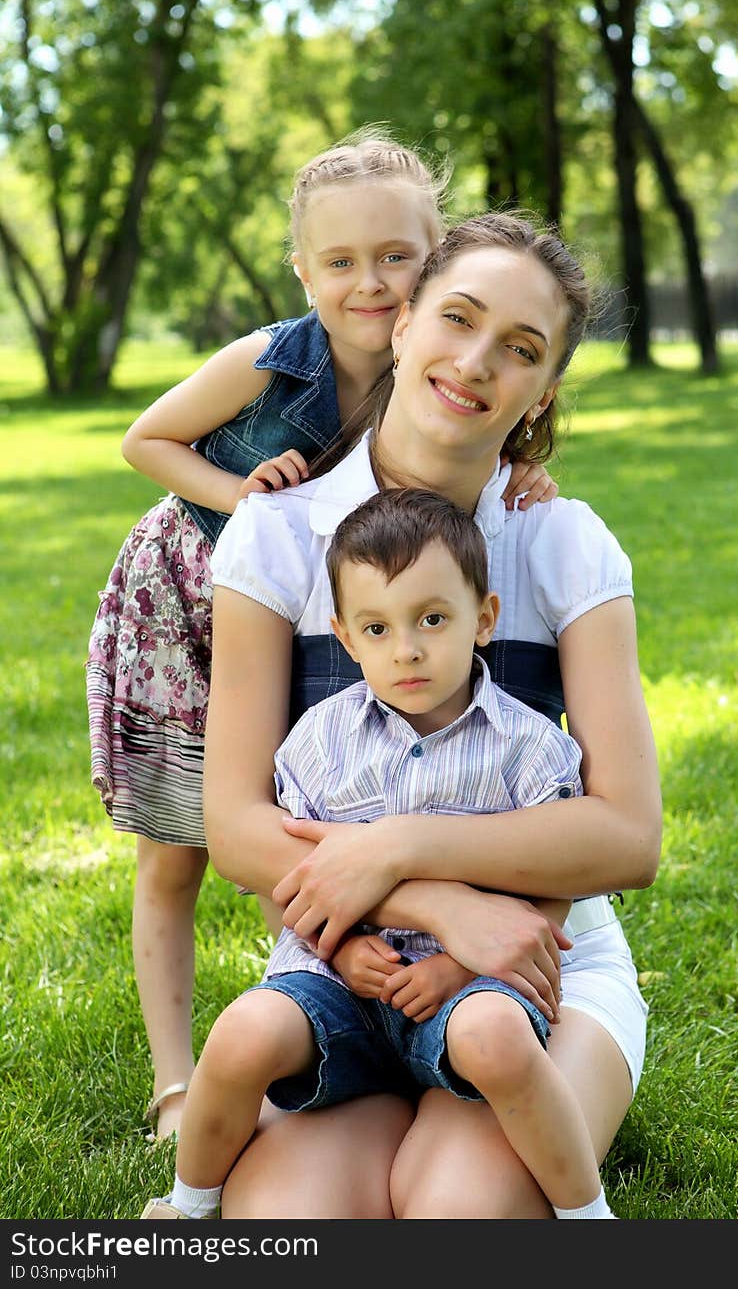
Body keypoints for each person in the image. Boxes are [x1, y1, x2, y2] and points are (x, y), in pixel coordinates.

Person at [84, 132, 556, 1143]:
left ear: (436, 257)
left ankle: (323, 1001)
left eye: (396, 256)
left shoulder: (435, 363)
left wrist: (529, 471)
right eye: (339, 261)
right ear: (304, 270)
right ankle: (177, 1082)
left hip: (331, 609)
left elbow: (489, 431)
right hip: (192, 596)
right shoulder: (269, 356)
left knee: (313, 796)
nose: (371, 282)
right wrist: (240, 493)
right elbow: (144, 439)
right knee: (182, 851)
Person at [204, 210, 663, 1219]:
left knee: (459, 1216)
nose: (476, 361)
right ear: (402, 322)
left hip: (535, 967)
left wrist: (402, 843)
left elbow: (627, 835)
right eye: (456, 318)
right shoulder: (275, 537)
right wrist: (431, 900)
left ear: (541, 393)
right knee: (294, 1230)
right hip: (342, 965)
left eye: (522, 349)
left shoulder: (564, 546)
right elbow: (236, 827)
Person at [142, 488, 616, 1221]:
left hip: (468, 986)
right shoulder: (317, 745)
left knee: (494, 1035)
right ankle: (185, 1206)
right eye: (377, 627)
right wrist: (335, 950)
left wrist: (463, 965)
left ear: (484, 618)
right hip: (340, 979)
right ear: (345, 635)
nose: (409, 649)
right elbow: (285, 872)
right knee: (241, 1032)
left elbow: (554, 886)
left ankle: (589, 1216)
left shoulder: (528, 746)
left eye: (432, 619)